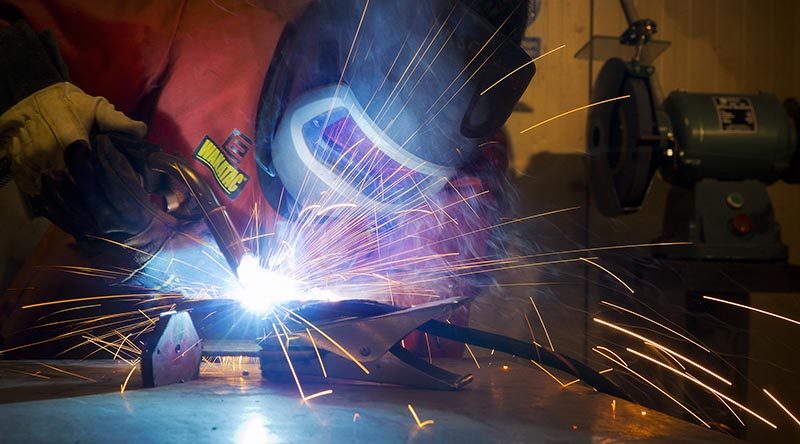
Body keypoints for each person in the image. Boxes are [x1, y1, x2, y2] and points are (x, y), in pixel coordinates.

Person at [0, 0, 533, 356]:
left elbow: (415, 349)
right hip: (56, 365)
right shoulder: (200, 28)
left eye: (390, 180)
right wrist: (32, 95)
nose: (351, 185)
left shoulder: (463, 183)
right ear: (328, 49)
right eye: (343, 138)